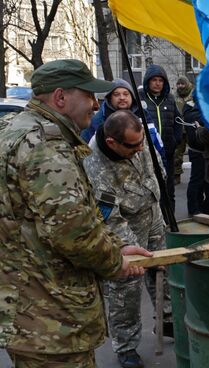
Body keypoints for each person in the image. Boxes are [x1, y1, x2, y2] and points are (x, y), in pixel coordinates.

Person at [0, 59, 151, 367]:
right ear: (60, 98)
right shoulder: (44, 146)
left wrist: (118, 244)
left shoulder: (14, 131)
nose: (96, 105)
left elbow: (59, 216)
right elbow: (74, 232)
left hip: (26, 310)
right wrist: (116, 262)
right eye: (89, 95)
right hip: (52, 319)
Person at [83, 110, 174, 368]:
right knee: (127, 285)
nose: (140, 148)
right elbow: (109, 217)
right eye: (134, 145)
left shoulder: (137, 140)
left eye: (142, 141)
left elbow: (155, 166)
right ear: (113, 143)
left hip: (153, 213)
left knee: (163, 270)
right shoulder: (95, 163)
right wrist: (125, 246)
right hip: (125, 226)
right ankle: (126, 346)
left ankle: (167, 320)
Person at [80, 78, 165, 159]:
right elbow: (84, 149)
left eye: (126, 94)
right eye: (116, 94)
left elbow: (157, 144)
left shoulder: (143, 115)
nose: (122, 98)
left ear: (132, 96)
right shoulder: (98, 119)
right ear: (110, 98)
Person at [140, 64, 181, 212]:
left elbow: (178, 122)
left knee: (168, 191)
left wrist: (174, 143)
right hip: (147, 156)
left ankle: (170, 222)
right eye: (154, 80)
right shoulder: (140, 99)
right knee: (150, 191)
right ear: (148, 81)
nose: (157, 83)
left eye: (161, 80)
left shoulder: (169, 99)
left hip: (167, 155)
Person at [182, 95, 209, 216]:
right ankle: (194, 209)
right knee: (197, 181)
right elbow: (196, 119)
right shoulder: (191, 108)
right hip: (197, 151)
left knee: (208, 182)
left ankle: (206, 208)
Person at [174, 76, 193, 185]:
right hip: (180, 128)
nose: (180, 86)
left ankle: (196, 174)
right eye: (179, 84)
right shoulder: (174, 96)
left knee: (195, 152)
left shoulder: (193, 95)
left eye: (182, 84)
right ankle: (177, 175)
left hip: (191, 128)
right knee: (177, 154)